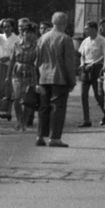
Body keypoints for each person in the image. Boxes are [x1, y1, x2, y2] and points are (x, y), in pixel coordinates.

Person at [34, 13, 78, 147]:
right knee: (58, 108)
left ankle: (40, 135)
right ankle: (55, 137)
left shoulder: (42, 38)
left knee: (43, 108)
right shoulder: (66, 39)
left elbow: (37, 60)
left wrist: (37, 80)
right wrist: (72, 81)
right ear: (65, 23)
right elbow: (69, 63)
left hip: (43, 77)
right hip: (59, 77)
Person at [11, 21, 40, 134]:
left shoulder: (36, 46)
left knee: (28, 100)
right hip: (17, 73)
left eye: (30, 33)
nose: (28, 35)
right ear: (22, 33)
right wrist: (8, 76)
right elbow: (12, 60)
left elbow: (38, 62)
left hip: (30, 72)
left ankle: (25, 122)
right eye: (26, 32)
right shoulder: (17, 45)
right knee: (16, 98)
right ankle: (19, 120)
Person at [78, 22, 105, 128]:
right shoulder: (85, 41)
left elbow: (104, 55)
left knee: (98, 95)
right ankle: (86, 119)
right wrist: (82, 63)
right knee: (83, 94)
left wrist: (93, 64)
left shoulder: (101, 40)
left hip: (96, 68)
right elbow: (82, 54)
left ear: (94, 29)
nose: (86, 31)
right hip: (85, 68)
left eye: (88, 29)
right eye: (85, 29)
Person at [0, 19, 19, 122]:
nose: (6, 28)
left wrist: (8, 58)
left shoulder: (16, 39)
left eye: (8, 26)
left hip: (10, 66)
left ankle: (8, 112)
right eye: (4, 26)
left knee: (9, 90)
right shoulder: (0, 37)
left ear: (12, 27)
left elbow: (18, 54)